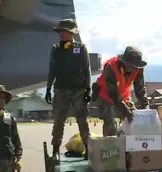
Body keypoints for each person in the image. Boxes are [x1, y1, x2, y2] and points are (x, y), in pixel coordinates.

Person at [45, 18, 91, 163]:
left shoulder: (81, 48)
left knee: (82, 120)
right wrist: (47, 88)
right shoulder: (55, 49)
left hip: (79, 90)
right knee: (59, 120)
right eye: (61, 31)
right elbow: (52, 70)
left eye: (65, 31)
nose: (62, 34)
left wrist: (88, 89)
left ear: (72, 33)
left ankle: (88, 150)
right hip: (60, 89)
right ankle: (56, 150)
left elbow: (87, 70)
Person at [91, 46, 150, 136]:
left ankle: (131, 145)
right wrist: (125, 111)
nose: (134, 69)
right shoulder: (111, 67)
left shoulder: (138, 69)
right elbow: (113, 93)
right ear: (124, 62)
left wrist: (146, 106)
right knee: (110, 122)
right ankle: (111, 145)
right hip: (105, 95)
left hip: (123, 95)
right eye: (131, 66)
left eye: (136, 66)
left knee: (134, 118)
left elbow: (140, 89)